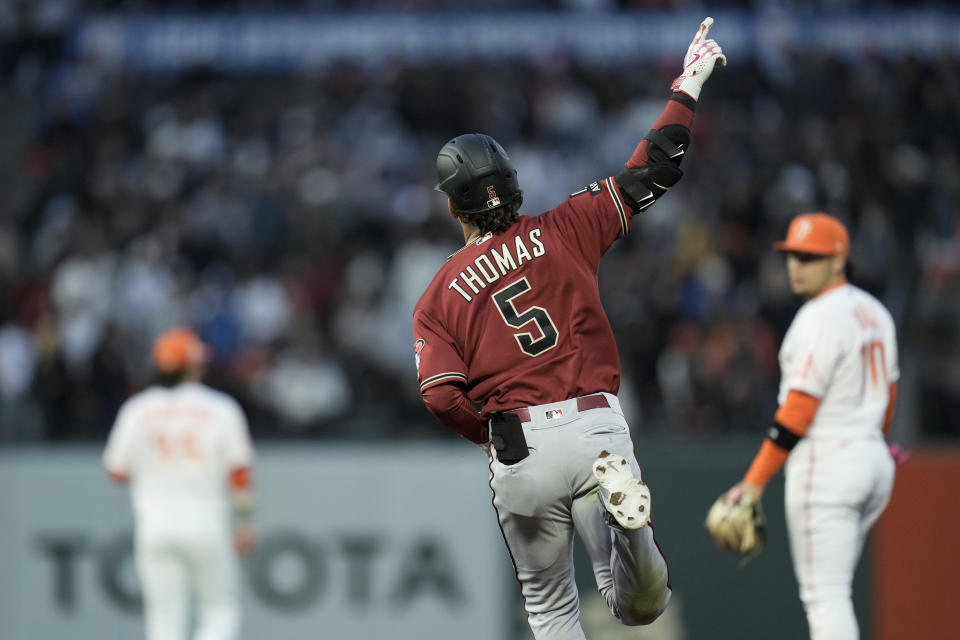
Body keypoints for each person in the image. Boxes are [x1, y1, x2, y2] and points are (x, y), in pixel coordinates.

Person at [412, 18, 725, 640]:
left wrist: (486, 433)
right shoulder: (565, 227)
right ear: (514, 183)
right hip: (596, 422)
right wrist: (688, 85)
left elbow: (440, 394)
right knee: (639, 608)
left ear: (452, 206)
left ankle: (623, 524)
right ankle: (629, 527)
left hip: (520, 443)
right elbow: (654, 170)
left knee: (552, 613)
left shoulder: (438, 294)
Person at [721, 212, 899, 639]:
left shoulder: (818, 317)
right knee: (835, 592)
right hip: (874, 461)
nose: (797, 266)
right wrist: (873, 443)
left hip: (829, 464)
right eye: (792, 256)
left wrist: (753, 482)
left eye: (810, 257)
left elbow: (797, 412)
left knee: (825, 598)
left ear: (838, 259)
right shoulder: (875, 311)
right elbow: (888, 399)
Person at [103, 328, 256, 640]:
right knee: (220, 612)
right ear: (192, 366)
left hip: (154, 525)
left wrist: (154, 469)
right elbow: (239, 471)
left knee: (163, 621)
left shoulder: (137, 410)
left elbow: (116, 471)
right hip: (206, 522)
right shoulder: (221, 408)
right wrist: (244, 521)